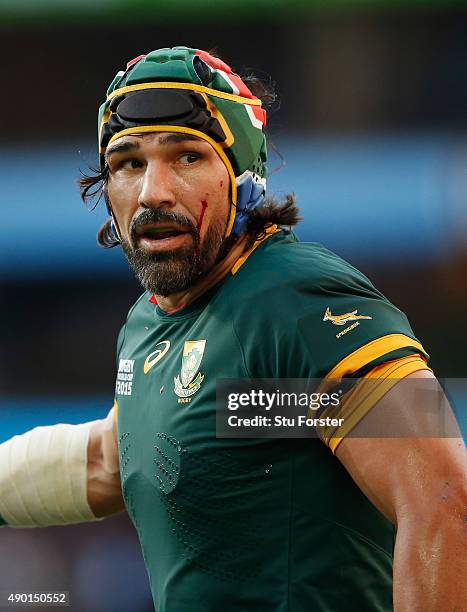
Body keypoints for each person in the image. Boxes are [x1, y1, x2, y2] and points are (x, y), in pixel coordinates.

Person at [0, 46, 465, 612]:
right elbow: (119, 457)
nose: (153, 192)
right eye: (128, 163)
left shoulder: (298, 298)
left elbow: (444, 500)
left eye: (187, 157)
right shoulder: (154, 318)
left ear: (244, 175)